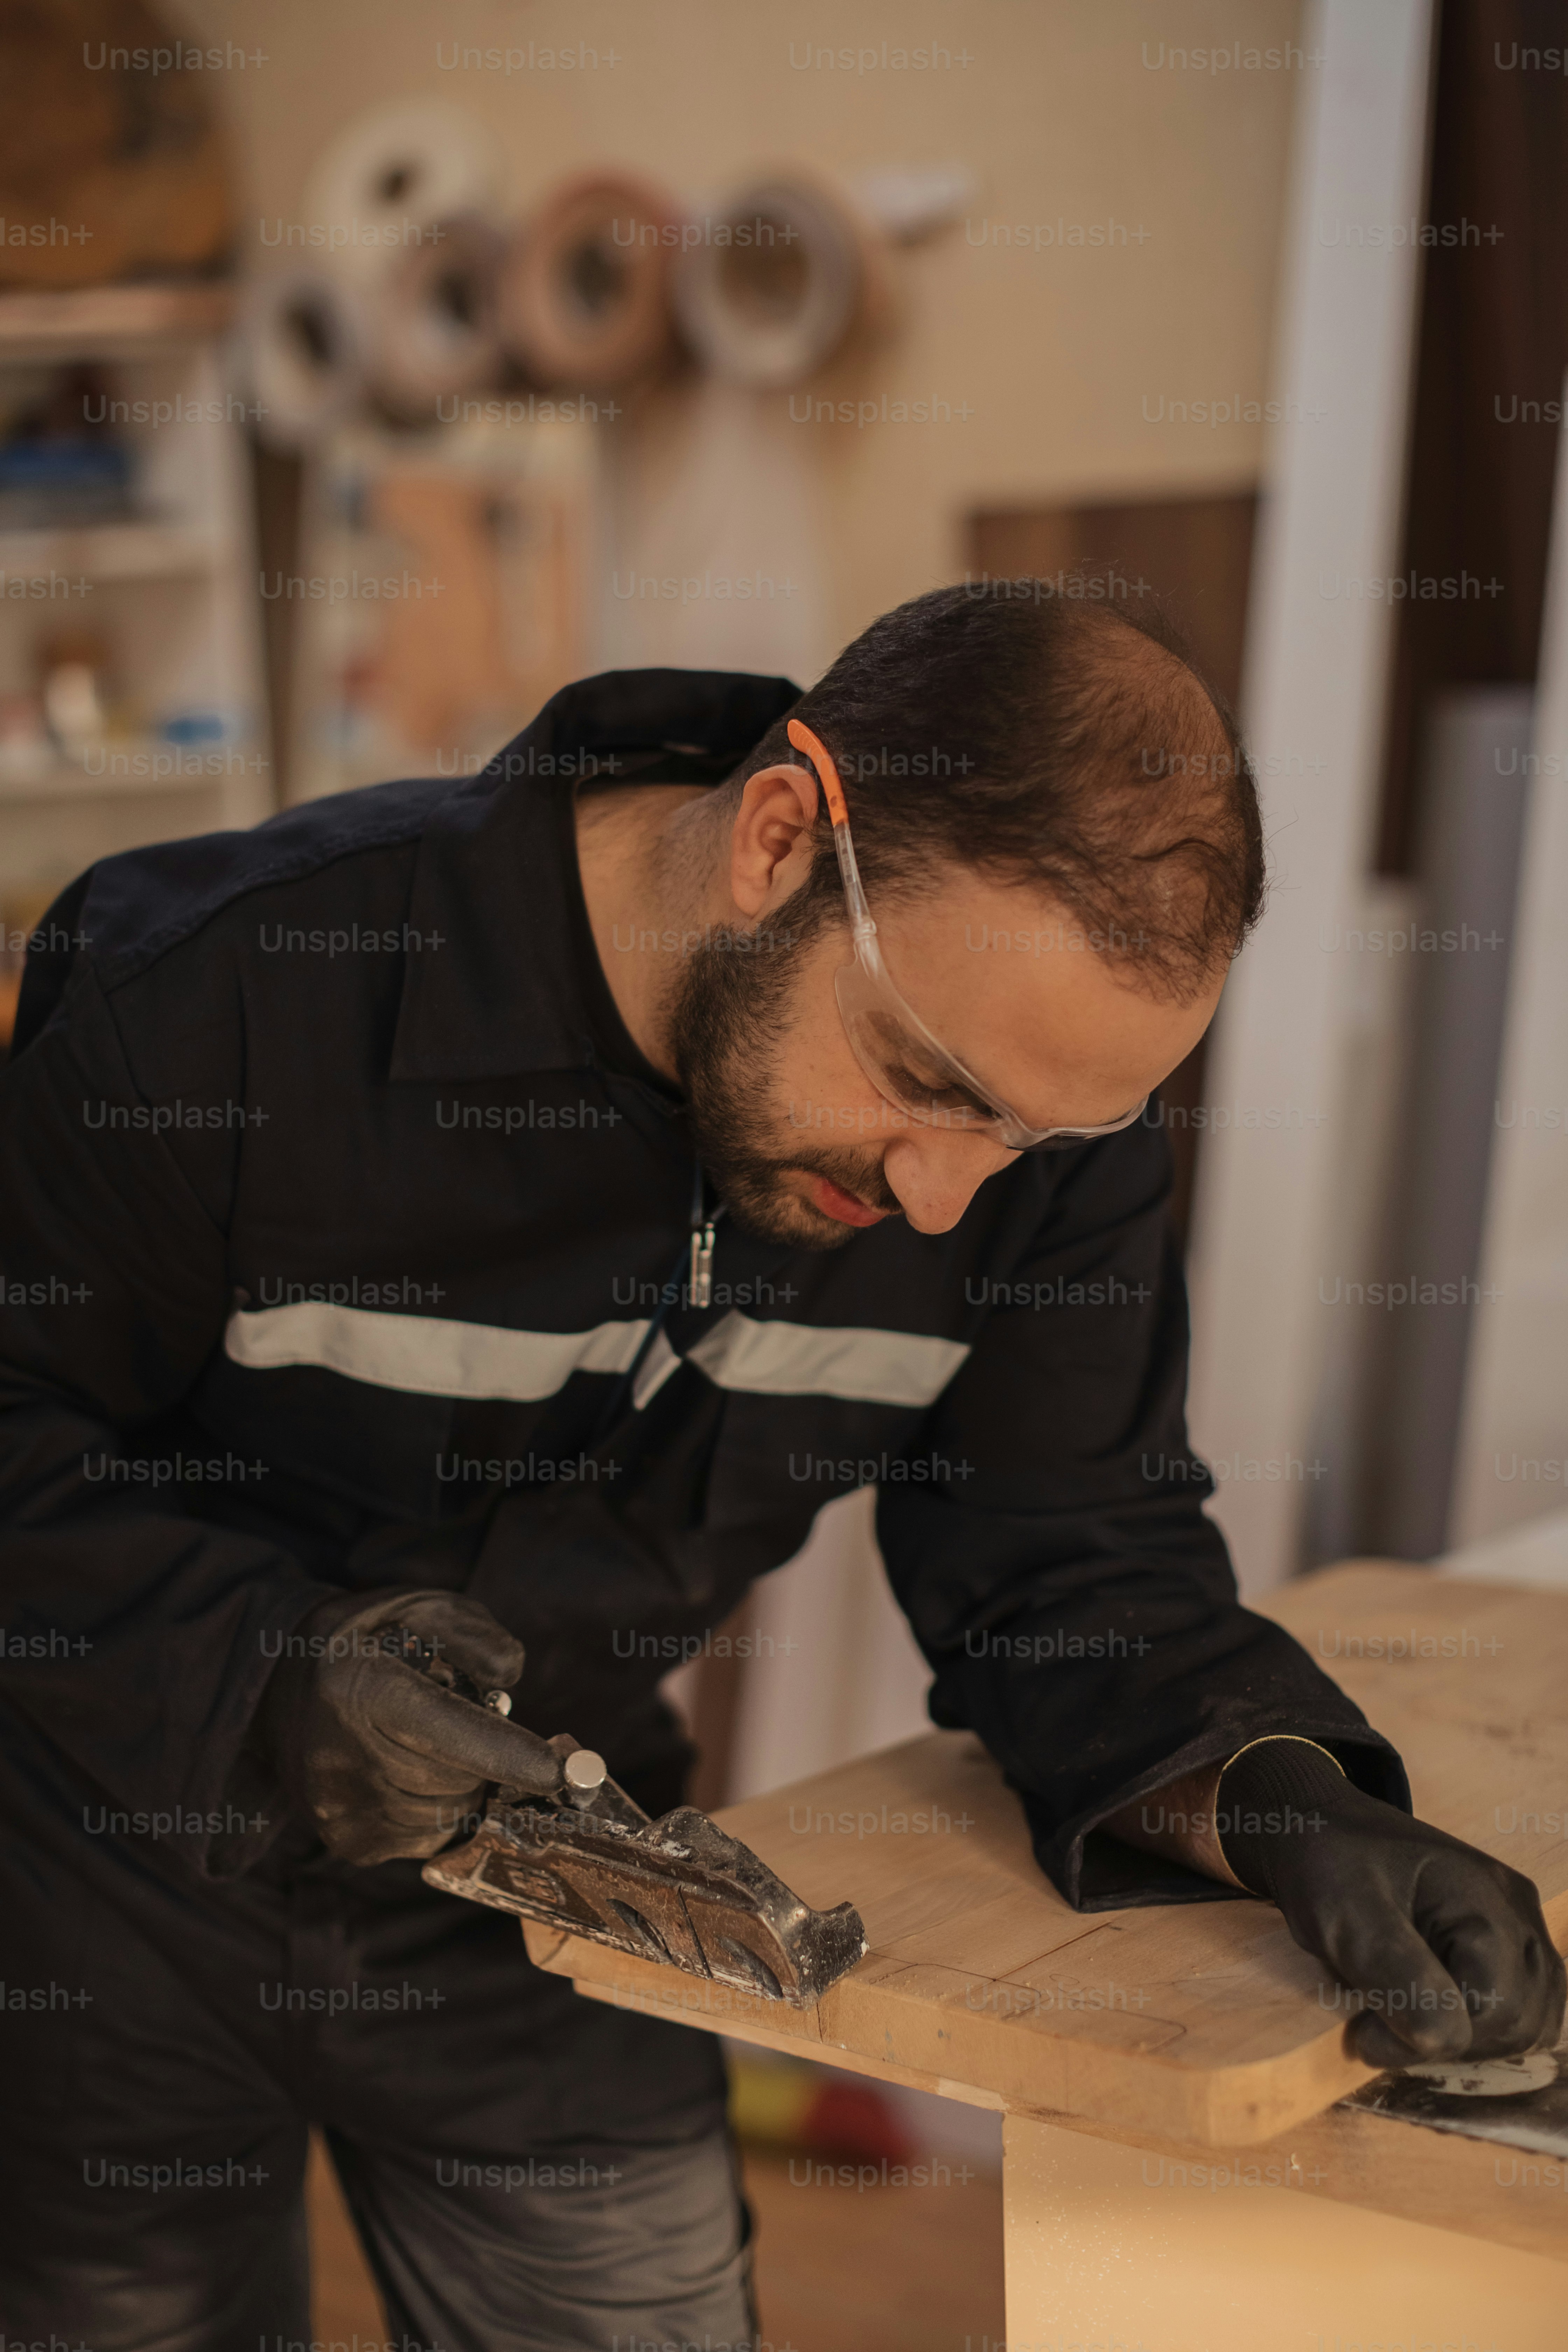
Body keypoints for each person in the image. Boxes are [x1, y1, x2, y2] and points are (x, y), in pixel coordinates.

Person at [1, 585, 1560, 2351]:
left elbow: (1077, 1559)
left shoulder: (1017, 1155)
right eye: (921, 1082)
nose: (942, 1200)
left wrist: (1284, 1805)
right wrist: (262, 1685)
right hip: (101, 1873)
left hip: (554, 1889)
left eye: (1032, 1135)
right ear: (774, 838)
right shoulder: (222, 996)